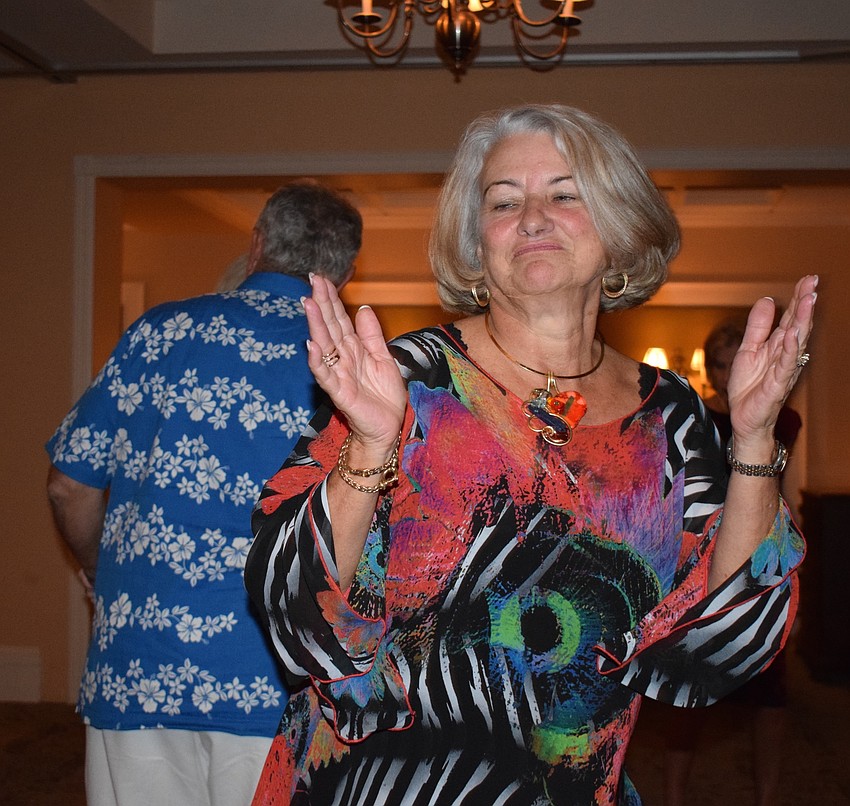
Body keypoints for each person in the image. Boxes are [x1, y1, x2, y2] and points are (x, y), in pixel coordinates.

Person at [245, 105, 817, 804]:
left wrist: (753, 439)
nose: (533, 219)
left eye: (564, 194)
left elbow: (723, 638)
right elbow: (295, 608)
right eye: (504, 201)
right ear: (477, 244)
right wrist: (369, 444)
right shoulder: (407, 377)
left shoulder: (669, 415)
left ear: (619, 228)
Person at [45, 182, 362, 806]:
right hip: (279, 672)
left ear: (257, 244)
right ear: (346, 272)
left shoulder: (158, 333)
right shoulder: (350, 363)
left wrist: (96, 568)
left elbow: (68, 484)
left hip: (140, 662)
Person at [664, 319, 803, 806]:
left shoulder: (782, 420)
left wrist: (794, 573)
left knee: (771, 693)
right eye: (719, 365)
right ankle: (674, 797)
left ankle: (767, 797)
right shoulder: (694, 416)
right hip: (700, 561)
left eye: (733, 362)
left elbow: (783, 494)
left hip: (763, 557)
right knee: (691, 685)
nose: (727, 374)